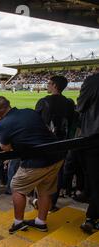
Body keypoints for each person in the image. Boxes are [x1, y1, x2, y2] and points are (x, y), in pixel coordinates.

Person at [0, 97, 64, 234]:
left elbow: (5, 147)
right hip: (56, 156)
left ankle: (18, 223)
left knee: (17, 186)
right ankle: (41, 222)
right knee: (45, 190)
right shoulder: (29, 112)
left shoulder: (4, 123)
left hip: (36, 160)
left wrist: (0, 124)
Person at [35, 75, 76, 211]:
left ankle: (42, 204)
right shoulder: (69, 103)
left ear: (55, 86)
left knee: (42, 174)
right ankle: (52, 203)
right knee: (58, 173)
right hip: (63, 144)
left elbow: (36, 123)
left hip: (45, 144)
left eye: (49, 83)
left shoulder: (44, 101)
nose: (47, 85)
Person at [77, 68, 99, 233]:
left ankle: (91, 217)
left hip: (94, 137)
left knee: (95, 178)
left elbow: (81, 106)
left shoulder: (93, 80)